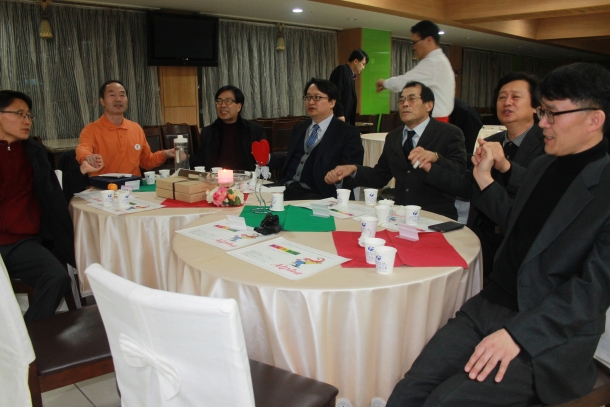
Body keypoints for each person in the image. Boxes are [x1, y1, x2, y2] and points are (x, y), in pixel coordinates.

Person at [386, 62, 610, 407]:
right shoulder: (543, 165)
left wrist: (519, 334)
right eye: (542, 112)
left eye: (552, 114)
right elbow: (514, 220)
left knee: (445, 401)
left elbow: (591, 291)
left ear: (594, 119)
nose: (543, 123)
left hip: (547, 333)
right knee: (408, 390)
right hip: (490, 306)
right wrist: (483, 178)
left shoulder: (603, 185)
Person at [423, 72, 545, 278]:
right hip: (482, 236)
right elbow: (469, 186)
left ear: (536, 106)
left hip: (519, 241)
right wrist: (433, 168)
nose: (507, 102)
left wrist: (506, 166)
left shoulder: (547, 143)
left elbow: (540, 190)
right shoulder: (492, 141)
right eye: (502, 97)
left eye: (515, 97)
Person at [0, 90, 98, 322]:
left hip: (21, 243)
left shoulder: (34, 153)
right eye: (19, 114)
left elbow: (54, 195)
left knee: (57, 277)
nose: (27, 121)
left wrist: (80, 171)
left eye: (29, 115)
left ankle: (27, 334)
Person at [325, 81, 467, 220]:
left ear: (429, 105)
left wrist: (436, 159)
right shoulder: (394, 137)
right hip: (400, 217)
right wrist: (353, 169)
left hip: (436, 217)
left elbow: (460, 180)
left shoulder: (449, 133)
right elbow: (380, 175)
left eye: (412, 99)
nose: (405, 104)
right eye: (401, 100)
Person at [268, 78, 363, 201]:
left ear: (332, 102)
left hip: (319, 194)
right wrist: (268, 158)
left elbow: (351, 170)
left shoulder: (347, 133)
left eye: (317, 97)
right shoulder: (300, 127)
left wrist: (337, 177)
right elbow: (292, 160)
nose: (311, 102)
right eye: (308, 97)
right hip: (285, 188)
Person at [76, 80, 175, 176]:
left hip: (134, 185)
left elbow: (146, 161)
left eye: (122, 95)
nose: (118, 99)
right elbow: (82, 149)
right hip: (103, 186)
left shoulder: (136, 128)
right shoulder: (91, 129)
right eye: (112, 95)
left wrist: (165, 154)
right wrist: (88, 156)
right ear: (102, 101)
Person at [376, 20, 455, 120]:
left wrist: (385, 83)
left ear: (429, 40)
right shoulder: (440, 61)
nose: (414, 47)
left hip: (433, 122)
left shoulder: (433, 63)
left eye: (415, 42)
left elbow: (405, 83)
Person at [190, 85, 265, 171]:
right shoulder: (208, 132)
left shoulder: (254, 130)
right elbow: (200, 161)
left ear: (239, 107)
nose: (222, 105)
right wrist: (186, 157)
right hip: (215, 177)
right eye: (219, 101)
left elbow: (263, 161)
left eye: (228, 101)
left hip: (246, 177)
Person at [329, 49, 368, 125]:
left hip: (347, 118)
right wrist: (339, 114)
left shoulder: (350, 75)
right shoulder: (341, 70)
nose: (363, 68)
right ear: (355, 61)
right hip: (339, 117)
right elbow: (335, 93)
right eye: (363, 64)